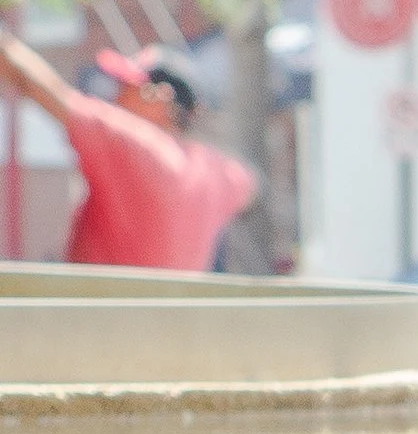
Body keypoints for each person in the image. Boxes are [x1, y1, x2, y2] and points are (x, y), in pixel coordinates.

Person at [0, 38, 257, 272]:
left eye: (128, 85)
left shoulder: (135, 144)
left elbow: (36, 86)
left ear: (160, 97)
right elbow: (249, 185)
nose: (116, 94)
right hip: (171, 320)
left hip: (99, 317)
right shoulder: (217, 171)